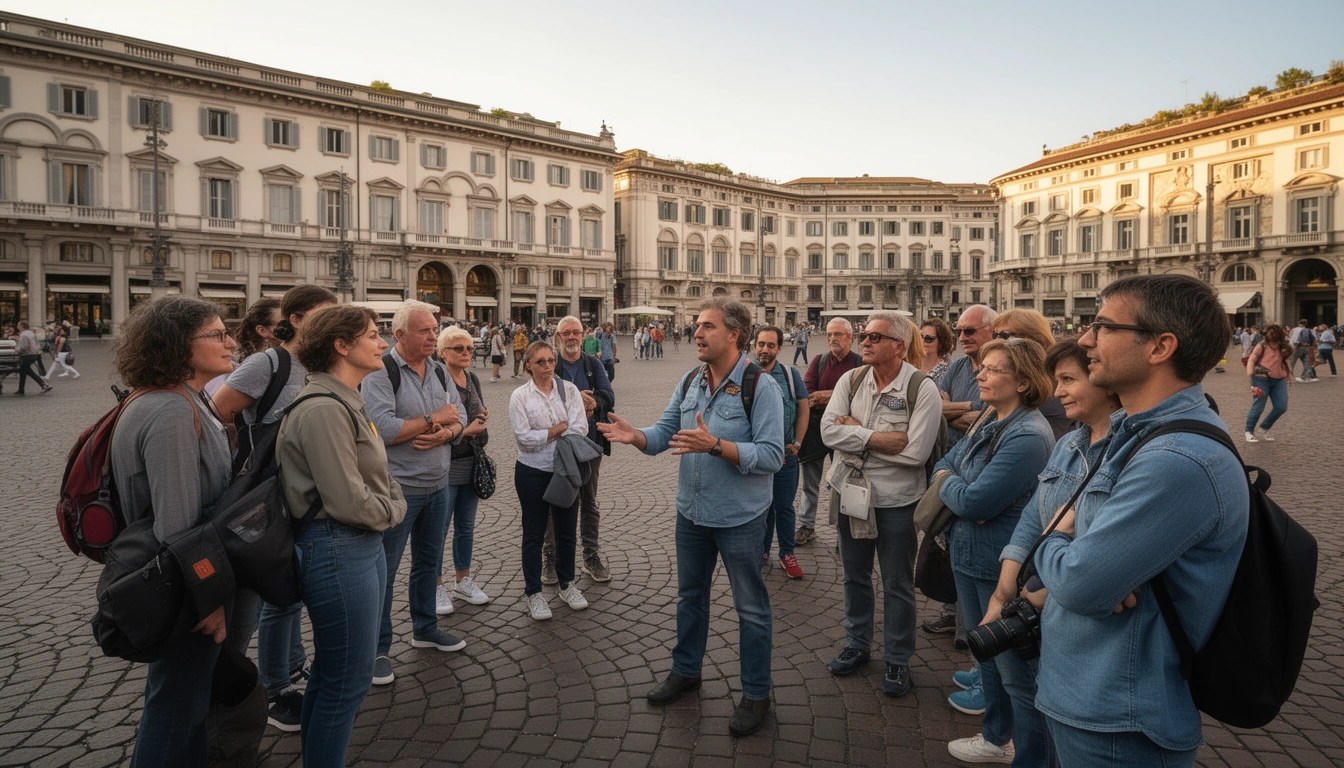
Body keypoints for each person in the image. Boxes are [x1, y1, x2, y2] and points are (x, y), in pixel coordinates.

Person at [1033, 274, 1248, 767]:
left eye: (1103, 326)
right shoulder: (1136, 432)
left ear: (1160, 347)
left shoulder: (1176, 457)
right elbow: (1088, 570)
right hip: (1091, 694)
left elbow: (1083, 584)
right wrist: (1082, 551)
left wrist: (1057, 538)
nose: (1085, 339)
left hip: (1117, 714)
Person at [598, 298, 785, 737]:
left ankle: (756, 693)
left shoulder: (762, 387)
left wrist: (716, 446)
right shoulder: (690, 380)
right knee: (689, 598)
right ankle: (687, 670)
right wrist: (636, 436)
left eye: (706, 326)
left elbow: (774, 455)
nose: (696, 333)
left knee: (752, 609)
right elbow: (667, 433)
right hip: (692, 514)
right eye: (696, 326)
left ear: (734, 334)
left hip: (740, 518)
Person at [277, 304, 407, 767]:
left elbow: (378, 471)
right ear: (341, 345)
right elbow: (348, 499)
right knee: (345, 682)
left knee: (335, 676)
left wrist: (390, 501)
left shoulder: (346, 399)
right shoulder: (322, 409)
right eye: (373, 335)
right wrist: (395, 510)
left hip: (356, 544)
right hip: (336, 546)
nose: (384, 343)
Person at [109, 296, 237, 766]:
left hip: (176, 578)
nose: (231, 342)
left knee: (185, 701)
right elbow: (179, 526)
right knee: (176, 704)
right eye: (217, 335)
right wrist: (208, 603)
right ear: (180, 344)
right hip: (181, 588)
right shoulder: (170, 411)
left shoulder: (184, 398)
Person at [213, 285, 337, 730]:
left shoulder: (323, 363)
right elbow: (218, 413)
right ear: (299, 319)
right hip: (269, 498)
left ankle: (286, 668)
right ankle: (276, 690)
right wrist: (244, 470)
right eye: (327, 313)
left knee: (292, 592)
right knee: (280, 597)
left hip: (305, 496)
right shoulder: (267, 363)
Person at [934, 337, 1056, 765]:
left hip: (996, 563)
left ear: (1023, 381)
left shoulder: (1028, 434)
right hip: (969, 552)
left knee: (1017, 676)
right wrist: (956, 482)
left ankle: (1028, 755)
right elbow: (944, 462)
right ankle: (995, 737)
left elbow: (974, 502)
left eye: (993, 369)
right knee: (985, 653)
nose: (979, 375)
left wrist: (953, 485)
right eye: (981, 367)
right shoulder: (992, 415)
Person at [819, 311, 942, 699]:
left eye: (874, 336)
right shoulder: (850, 378)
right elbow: (826, 431)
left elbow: (915, 453)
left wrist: (854, 431)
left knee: (897, 584)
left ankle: (898, 658)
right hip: (850, 492)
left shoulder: (922, 388)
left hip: (897, 502)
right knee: (854, 576)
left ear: (899, 346)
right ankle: (857, 643)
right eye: (863, 335)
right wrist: (882, 438)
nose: (865, 342)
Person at [362, 301, 470, 685]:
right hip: (398, 489)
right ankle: (376, 648)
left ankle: (425, 629)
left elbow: (462, 416)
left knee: (429, 562)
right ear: (400, 334)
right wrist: (434, 419)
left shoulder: (440, 370)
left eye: (434, 329)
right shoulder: (380, 374)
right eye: (424, 330)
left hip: (438, 485)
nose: (432, 336)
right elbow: (384, 429)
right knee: (384, 572)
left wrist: (447, 432)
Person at [510, 340, 591, 620]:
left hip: (565, 469)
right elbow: (524, 439)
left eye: (550, 361)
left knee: (567, 531)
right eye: (540, 362)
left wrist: (549, 432)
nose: (547, 366)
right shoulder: (520, 396)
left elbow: (580, 427)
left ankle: (567, 584)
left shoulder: (568, 390)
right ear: (528, 365)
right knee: (533, 534)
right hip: (532, 471)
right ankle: (534, 593)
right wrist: (559, 428)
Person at [546, 316, 616, 584]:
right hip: (559, 443)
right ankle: (550, 558)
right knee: (555, 500)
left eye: (576, 332)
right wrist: (576, 399)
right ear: (559, 336)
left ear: (582, 335)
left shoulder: (593, 363)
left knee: (589, 500)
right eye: (567, 333)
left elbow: (609, 396)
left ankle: (590, 556)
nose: (572, 337)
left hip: (590, 444)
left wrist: (593, 402)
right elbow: (542, 395)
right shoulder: (551, 363)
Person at [434, 327, 493, 612]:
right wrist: (463, 429)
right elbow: (432, 422)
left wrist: (482, 416)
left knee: (465, 527)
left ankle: (463, 580)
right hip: (445, 462)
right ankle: (436, 586)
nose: (466, 353)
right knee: (438, 529)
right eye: (459, 348)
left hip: (471, 461)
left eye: (469, 348)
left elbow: (477, 408)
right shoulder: (435, 378)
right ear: (443, 351)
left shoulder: (471, 378)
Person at [795, 318, 863, 546]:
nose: (832, 338)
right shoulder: (820, 360)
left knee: (844, 481)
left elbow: (859, 397)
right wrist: (837, 396)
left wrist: (825, 396)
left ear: (850, 337)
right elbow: (807, 392)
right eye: (830, 334)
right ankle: (807, 525)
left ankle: (843, 533)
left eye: (838, 334)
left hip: (845, 431)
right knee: (810, 482)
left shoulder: (860, 364)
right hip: (816, 429)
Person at [753, 325, 809, 578]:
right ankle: (761, 551)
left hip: (786, 455)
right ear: (754, 346)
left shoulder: (789, 374)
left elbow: (803, 408)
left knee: (784, 507)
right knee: (759, 507)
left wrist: (797, 443)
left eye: (770, 345)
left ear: (779, 347)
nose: (765, 349)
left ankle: (787, 553)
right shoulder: (746, 374)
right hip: (757, 456)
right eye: (761, 344)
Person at [991, 309, 1074, 440]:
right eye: (995, 335)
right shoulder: (1016, 373)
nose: (997, 341)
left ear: (1032, 338)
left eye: (1005, 335)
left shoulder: (1053, 375)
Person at [940, 305, 997, 445]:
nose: (962, 338)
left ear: (993, 331)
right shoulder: (955, 367)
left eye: (969, 331)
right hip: (949, 456)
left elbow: (992, 422)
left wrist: (950, 414)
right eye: (958, 331)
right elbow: (936, 409)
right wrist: (973, 406)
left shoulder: (1002, 370)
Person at [1245, 324, 1293, 443]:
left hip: (1279, 380)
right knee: (1258, 407)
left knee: (1281, 406)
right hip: (1261, 379)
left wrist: (1290, 375)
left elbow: (1286, 360)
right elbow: (1251, 360)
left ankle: (1264, 428)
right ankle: (1249, 431)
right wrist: (1252, 381)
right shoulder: (1261, 346)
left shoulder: (1283, 347)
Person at [11, 321, 51, 395]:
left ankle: (44, 384)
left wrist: (16, 350)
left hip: (27, 355)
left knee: (27, 371)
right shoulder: (31, 333)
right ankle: (21, 390)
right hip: (34, 354)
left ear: (22, 327)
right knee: (23, 371)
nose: (17, 327)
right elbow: (36, 343)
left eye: (18, 325)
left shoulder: (23, 335)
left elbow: (23, 347)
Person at [919, 318, 955, 384]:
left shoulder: (949, 371)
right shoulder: (912, 364)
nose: (922, 341)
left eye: (928, 338)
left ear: (941, 343)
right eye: (920, 336)